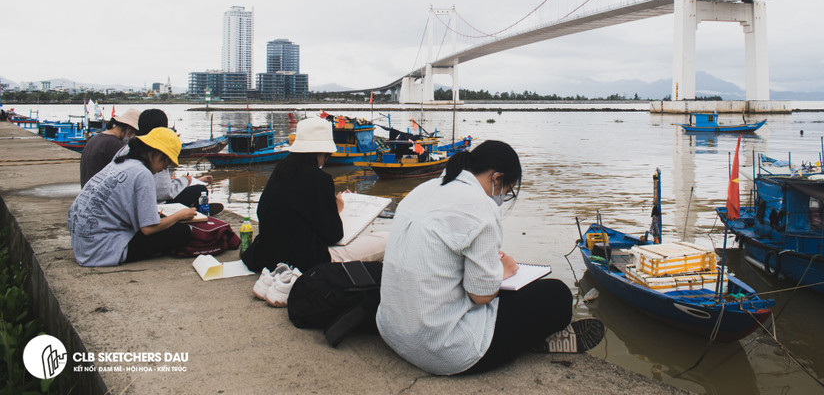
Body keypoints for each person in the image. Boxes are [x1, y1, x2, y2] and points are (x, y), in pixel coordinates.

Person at [376, 140, 604, 376]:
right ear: (497, 179)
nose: (502, 197)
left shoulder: (423, 189)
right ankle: (531, 340)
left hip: (392, 332)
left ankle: (526, 339)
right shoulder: (481, 207)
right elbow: (481, 296)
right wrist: (502, 272)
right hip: (440, 350)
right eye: (506, 191)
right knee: (557, 295)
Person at [241, 117, 387, 274]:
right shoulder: (321, 180)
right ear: (322, 152)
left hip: (267, 256)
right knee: (386, 240)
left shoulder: (280, 169)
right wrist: (337, 208)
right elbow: (334, 235)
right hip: (304, 260)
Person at [68, 127, 196, 267]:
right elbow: (148, 229)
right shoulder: (143, 173)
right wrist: (179, 216)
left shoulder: (121, 161)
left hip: (83, 244)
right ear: (156, 154)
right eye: (166, 163)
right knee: (182, 232)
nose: (164, 169)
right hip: (101, 249)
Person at [136, 109, 214, 209]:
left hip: (144, 201)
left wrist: (192, 180)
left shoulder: (132, 147)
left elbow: (160, 185)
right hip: (154, 205)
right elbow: (165, 192)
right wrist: (185, 181)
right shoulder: (155, 152)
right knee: (200, 190)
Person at [79, 108, 141, 187]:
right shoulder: (114, 144)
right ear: (129, 130)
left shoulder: (96, 138)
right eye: (134, 133)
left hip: (87, 188)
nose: (133, 137)